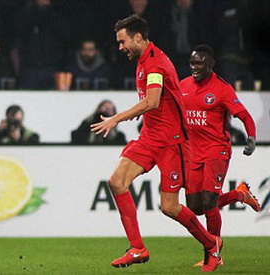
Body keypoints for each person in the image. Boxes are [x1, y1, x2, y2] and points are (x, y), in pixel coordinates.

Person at [90, 14, 222, 272]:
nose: (120, 47)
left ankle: (211, 244)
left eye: (122, 41)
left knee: (169, 207)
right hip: (150, 137)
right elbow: (153, 104)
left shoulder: (155, 63)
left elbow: (152, 101)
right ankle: (137, 247)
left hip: (171, 143)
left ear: (137, 37)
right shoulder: (142, 61)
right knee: (116, 181)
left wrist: (116, 118)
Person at [180, 45, 260, 267]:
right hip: (193, 152)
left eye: (199, 63)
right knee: (194, 207)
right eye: (192, 63)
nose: (194, 67)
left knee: (208, 202)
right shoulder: (183, 85)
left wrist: (251, 137)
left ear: (211, 64)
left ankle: (213, 255)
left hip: (217, 150)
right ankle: (238, 195)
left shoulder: (222, 89)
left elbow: (244, 115)